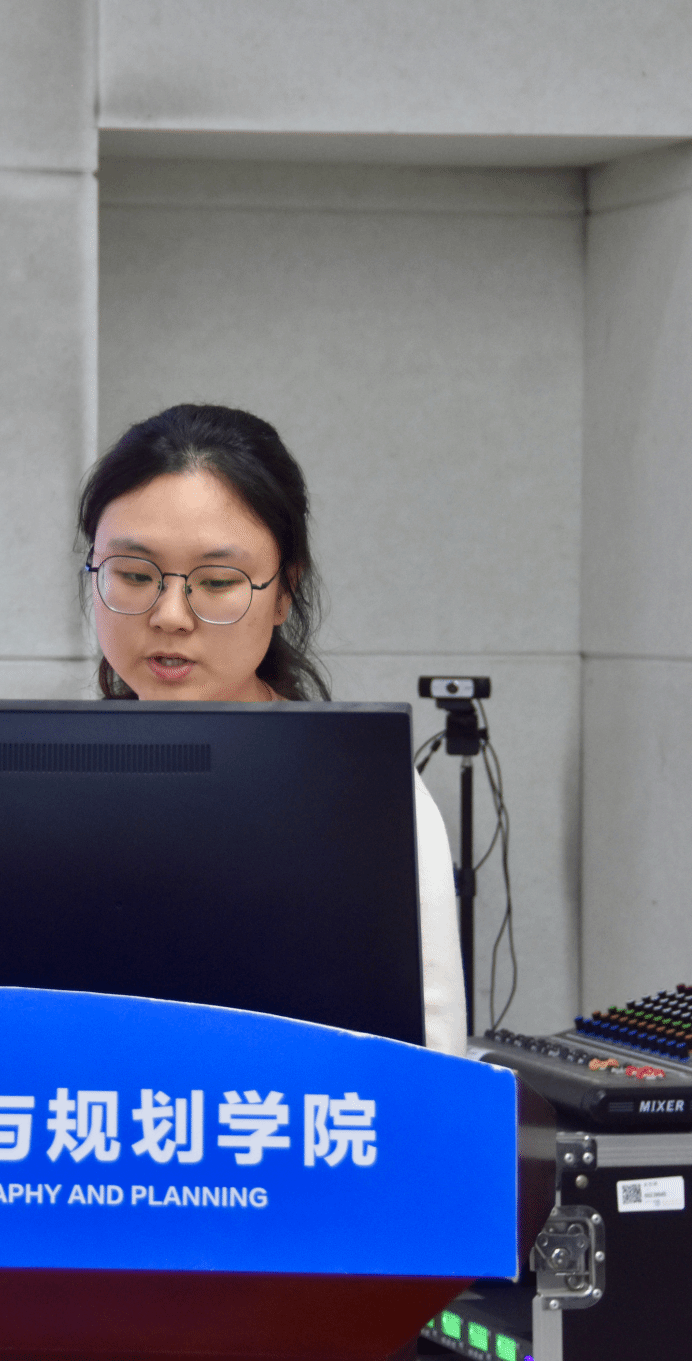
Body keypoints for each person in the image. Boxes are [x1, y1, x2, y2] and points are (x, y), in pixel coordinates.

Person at [76, 404, 467, 1054]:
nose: (170, 615)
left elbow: (430, 1055)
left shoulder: (364, 794)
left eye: (217, 581)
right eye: (135, 575)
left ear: (284, 592)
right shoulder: (52, 779)